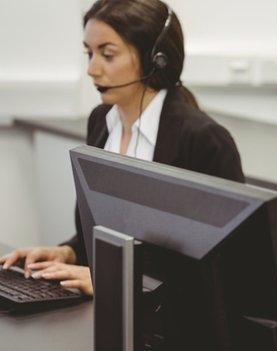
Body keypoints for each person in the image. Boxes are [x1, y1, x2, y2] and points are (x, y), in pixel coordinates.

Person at [0, 0, 244, 296]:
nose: (92, 69)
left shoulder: (204, 141)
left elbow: (217, 268)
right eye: (89, 53)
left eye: (107, 54)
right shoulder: (101, 122)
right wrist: (68, 253)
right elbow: (110, 236)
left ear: (156, 59)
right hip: (112, 311)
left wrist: (118, 280)